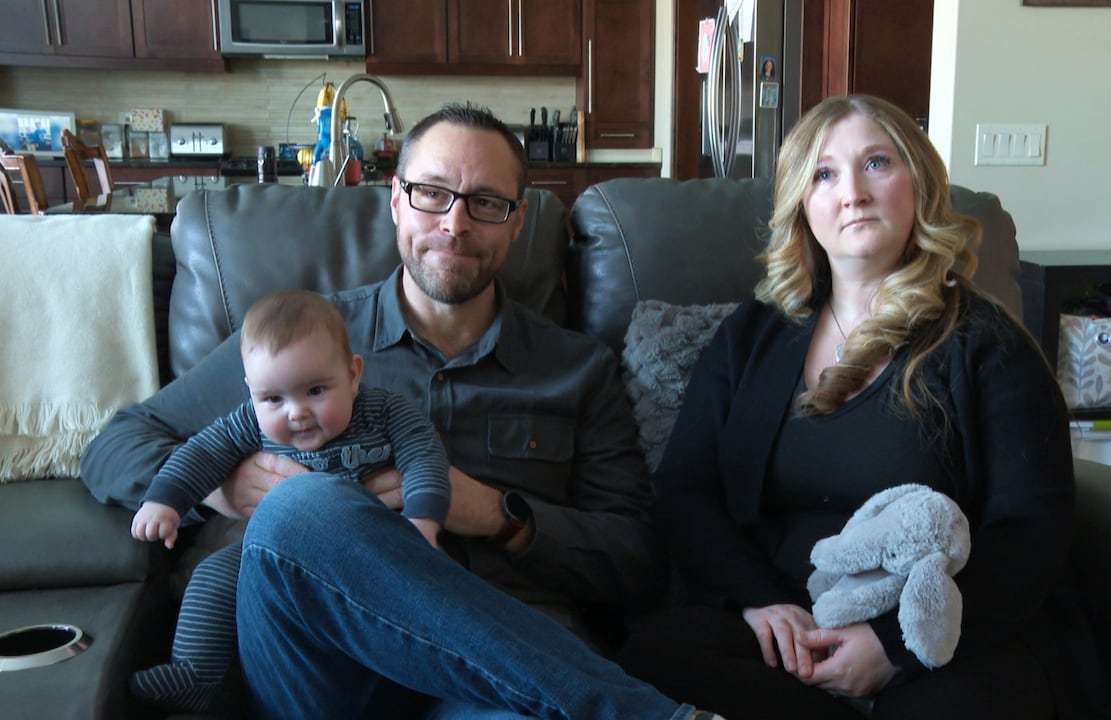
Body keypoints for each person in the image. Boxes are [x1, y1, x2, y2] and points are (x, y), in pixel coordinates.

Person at [81, 103, 719, 720]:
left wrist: (501, 518)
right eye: (431, 193)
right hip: (317, 666)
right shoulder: (300, 340)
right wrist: (226, 488)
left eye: (486, 203)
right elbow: (117, 444)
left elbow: (637, 561)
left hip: (500, 676)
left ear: (518, 221)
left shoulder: (577, 367)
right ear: (395, 200)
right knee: (304, 507)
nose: (454, 223)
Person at [616, 94, 1111, 720]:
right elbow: (686, 488)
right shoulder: (753, 334)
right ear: (802, 206)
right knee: (652, 656)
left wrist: (895, 646)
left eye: (876, 163)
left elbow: (1032, 528)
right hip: (789, 621)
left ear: (918, 185)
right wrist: (761, 603)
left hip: (949, 627)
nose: (852, 193)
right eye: (824, 174)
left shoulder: (987, 344)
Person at [128, 289, 450, 712]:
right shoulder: (249, 423)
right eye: (273, 399)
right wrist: (165, 500)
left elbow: (425, 456)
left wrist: (422, 521)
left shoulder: (385, 412)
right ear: (251, 393)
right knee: (213, 575)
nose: (296, 412)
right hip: (274, 560)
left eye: (316, 390)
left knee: (436, 584)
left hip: (373, 550)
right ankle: (196, 672)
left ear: (353, 375)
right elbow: (202, 452)